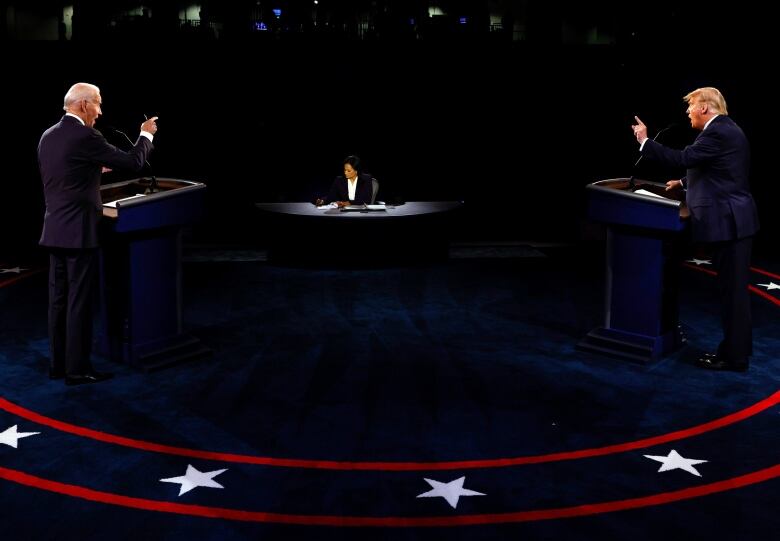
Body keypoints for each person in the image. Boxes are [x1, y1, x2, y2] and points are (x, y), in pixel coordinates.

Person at [38, 82, 158, 385]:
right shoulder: (86, 135)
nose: (100, 111)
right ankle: (77, 371)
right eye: (98, 104)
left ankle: (59, 365)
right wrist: (145, 134)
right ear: (82, 105)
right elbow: (134, 162)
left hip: (54, 230)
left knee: (58, 302)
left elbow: (64, 173)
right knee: (78, 303)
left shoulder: (48, 136)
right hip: (78, 232)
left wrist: (92, 169)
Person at [632, 87, 759, 372]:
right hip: (733, 222)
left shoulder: (718, 132)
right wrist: (684, 183)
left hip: (730, 224)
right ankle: (733, 352)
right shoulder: (725, 131)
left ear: (704, 107)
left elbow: (683, 158)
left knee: (733, 294)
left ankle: (734, 358)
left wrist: (645, 141)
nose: (687, 112)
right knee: (731, 293)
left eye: (691, 107)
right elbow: (720, 172)